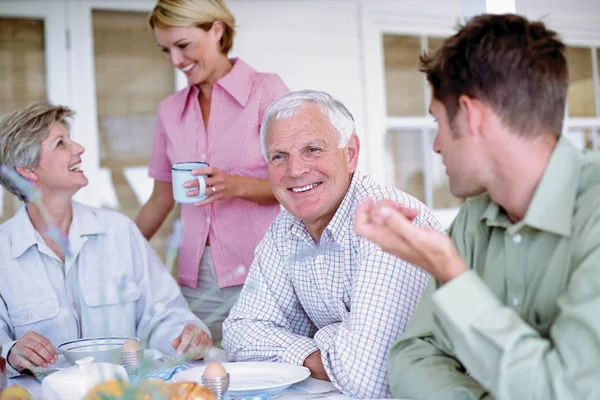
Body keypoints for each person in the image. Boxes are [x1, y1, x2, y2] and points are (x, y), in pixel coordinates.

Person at [354, 13, 600, 400]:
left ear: (471, 116)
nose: (435, 145)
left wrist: (451, 273)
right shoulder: (474, 218)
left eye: (437, 120)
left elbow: (569, 391)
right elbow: (414, 354)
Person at [222, 90, 442, 398]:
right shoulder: (285, 228)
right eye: (279, 156)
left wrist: (313, 338)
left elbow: (369, 378)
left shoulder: (388, 218)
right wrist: (326, 346)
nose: (295, 170)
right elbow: (239, 332)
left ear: (351, 153)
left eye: (312, 149)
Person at [0, 102, 212, 377]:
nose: (79, 148)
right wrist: (11, 353)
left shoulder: (119, 231)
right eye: (61, 143)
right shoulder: (4, 252)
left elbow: (165, 314)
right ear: (28, 169)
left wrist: (186, 336)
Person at [135, 0, 289, 344]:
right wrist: (117, 248)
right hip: (195, 279)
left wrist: (235, 186)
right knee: (200, 377)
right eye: (166, 50)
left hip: (262, 271)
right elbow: (160, 199)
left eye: (183, 45)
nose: (176, 60)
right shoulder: (170, 110)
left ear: (217, 30)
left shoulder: (265, 90)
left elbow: (297, 180)